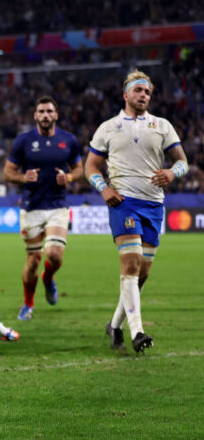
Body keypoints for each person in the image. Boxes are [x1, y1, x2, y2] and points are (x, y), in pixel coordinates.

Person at [85, 70, 189, 353]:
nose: (143, 96)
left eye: (147, 92)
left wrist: (172, 172)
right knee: (130, 264)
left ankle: (115, 325)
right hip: (124, 202)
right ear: (126, 93)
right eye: (139, 90)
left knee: (140, 274)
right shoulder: (108, 127)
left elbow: (182, 161)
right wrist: (104, 188)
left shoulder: (161, 125)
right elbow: (90, 166)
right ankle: (138, 332)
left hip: (154, 205)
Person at [3, 96, 83, 321]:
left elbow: (80, 169)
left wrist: (68, 176)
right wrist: (22, 177)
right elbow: (7, 172)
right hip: (31, 208)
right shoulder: (23, 141)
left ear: (56, 115)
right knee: (33, 260)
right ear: (35, 116)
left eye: (49, 111)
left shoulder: (68, 140)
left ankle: (48, 278)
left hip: (57, 206)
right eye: (42, 111)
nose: (46, 115)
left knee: (54, 255)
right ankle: (28, 304)